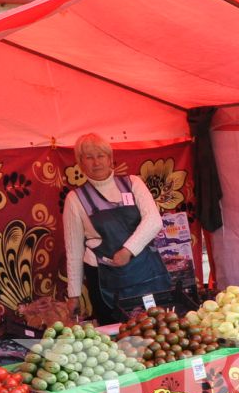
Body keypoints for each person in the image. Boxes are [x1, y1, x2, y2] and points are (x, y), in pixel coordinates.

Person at [61, 134, 175, 321]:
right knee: (115, 333)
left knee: (156, 326)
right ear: (80, 164)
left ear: (110, 158)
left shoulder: (133, 183)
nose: (96, 162)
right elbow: (73, 250)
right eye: (89, 157)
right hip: (103, 278)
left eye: (101, 156)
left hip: (145, 271)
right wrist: (73, 295)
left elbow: (153, 220)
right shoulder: (75, 199)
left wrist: (127, 250)